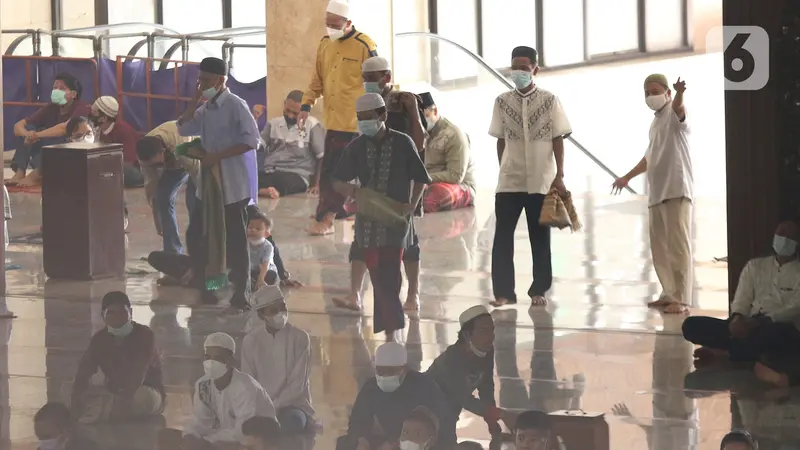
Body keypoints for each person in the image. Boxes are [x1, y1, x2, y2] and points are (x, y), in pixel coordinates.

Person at [331, 93, 431, 341]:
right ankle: (390, 331)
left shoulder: (402, 143)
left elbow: (421, 178)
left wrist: (411, 206)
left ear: (383, 116)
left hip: (396, 220)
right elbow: (336, 180)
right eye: (360, 118)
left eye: (368, 118)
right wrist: (353, 191)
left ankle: (391, 331)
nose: (364, 123)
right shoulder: (356, 147)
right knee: (378, 275)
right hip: (368, 222)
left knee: (390, 274)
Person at [488, 46, 571, 308]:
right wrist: (503, 167)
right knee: (502, 236)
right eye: (516, 67)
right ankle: (503, 292)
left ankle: (539, 290)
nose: (519, 72)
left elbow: (558, 138)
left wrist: (559, 175)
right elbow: (500, 139)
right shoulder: (502, 101)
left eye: (525, 67)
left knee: (539, 236)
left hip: (540, 179)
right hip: (510, 179)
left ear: (535, 69)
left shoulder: (550, 100)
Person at [177, 56, 260, 312]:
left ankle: (241, 293)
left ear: (222, 80)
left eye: (207, 80)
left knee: (235, 240)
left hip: (233, 184)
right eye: (200, 80)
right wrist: (194, 98)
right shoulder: (206, 108)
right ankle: (210, 288)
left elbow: (251, 140)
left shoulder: (236, 105)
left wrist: (218, 156)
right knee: (202, 237)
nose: (203, 85)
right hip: (209, 185)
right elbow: (183, 127)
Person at [612, 74, 692, 314]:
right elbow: (649, 157)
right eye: (647, 92)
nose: (651, 96)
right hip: (657, 194)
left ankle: (681, 297)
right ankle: (668, 293)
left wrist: (679, 93)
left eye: (655, 91)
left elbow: (679, 108)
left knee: (678, 246)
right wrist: (626, 177)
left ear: (666, 93)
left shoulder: (673, 113)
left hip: (676, 190)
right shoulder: (655, 123)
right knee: (660, 247)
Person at [300, 0, 378, 236]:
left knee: (341, 174)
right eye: (327, 24)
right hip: (333, 122)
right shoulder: (325, 44)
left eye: (335, 25)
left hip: (357, 124)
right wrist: (306, 104)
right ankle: (331, 211)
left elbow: (378, 83)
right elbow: (317, 81)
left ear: (349, 23)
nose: (330, 29)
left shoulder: (365, 44)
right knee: (332, 172)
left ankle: (328, 217)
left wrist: (374, 120)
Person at [682, 220, 800, 364]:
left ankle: (726, 351)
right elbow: (742, 299)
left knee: (773, 336)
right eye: (781, 234)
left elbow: (794, 308)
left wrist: (758, 322)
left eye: (790, 236)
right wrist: (737, 319)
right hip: (747, 324)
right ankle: (746, 352)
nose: (784, 239)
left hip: (777, 326)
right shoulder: (755, 266)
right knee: (691, 325)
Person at [339, 342, 456, 450]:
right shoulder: (371, 387)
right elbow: (358, 420)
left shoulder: (424, 386)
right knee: (346, 443)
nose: (385, 375)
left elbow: (446, 422)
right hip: (390, 438)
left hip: (418, 441)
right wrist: (362, 440)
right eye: (381, 371)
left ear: (404, 369)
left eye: (391, 371)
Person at [70, 291, 165, 423]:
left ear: (130, 312)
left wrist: (124, 400)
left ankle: (105, 410)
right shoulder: (99, 339)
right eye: (111, 313)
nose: (117, 319)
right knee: (68, 390)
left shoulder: (145, 335)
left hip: (144, 390)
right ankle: (107, 409)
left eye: (122, 312)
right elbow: (84, 371)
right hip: (114, 392)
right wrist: (76, 398)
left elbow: (139, 373)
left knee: (142, 398)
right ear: (103, 317)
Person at [426, 306, 516, 437]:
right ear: (466, 334)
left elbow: (486, 387)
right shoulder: (450, 360)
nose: (490, 337)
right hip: (425, 412)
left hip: (449, 412)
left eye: (492, 331)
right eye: (483, 331)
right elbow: (463, 398)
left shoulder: (486, 351)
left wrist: (492, 422)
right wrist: (500, 414)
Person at [182, 332, 276, 449]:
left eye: (218, 358)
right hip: (222, 437)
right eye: (207, 357)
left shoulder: (245, 387)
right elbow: (201, 420)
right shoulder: (203, 385)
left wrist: (208, 441)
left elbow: (242, 431)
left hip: (255, 441)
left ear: (231, 361)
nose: (211, 362)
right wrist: (189, 434)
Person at [242, 285, 315, 435]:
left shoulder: (300, 338)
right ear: (262, 315)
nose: (280, 314)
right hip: (259, 407)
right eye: (274, 311)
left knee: (291, 424)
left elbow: (297, 386)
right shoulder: (251, 341)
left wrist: (273, 407)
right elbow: (248, 382)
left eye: (282, 307)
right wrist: (263, 408)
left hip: (292, 406)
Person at [8, 72, 91, 187]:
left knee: (64, 140)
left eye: (62, 88)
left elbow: (64, 128)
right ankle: (20, 172)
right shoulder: (51, 107)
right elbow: (18, 126)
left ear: (73, 94)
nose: (56, 91)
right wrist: (28, 134)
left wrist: (37, 135)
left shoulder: (81, 108)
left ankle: (36, 176)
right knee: (29, 128)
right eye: (54, 88)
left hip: (70, 155)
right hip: (47, 150)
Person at [137, 120, 199, 256]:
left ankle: (199, 251)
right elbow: (151, 184)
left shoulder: (181, 144)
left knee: (195, 203)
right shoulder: (146, 156)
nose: (157, 167)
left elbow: (197, 173)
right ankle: (172, 252)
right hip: (174, 164)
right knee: (162, 198)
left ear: (162, 152)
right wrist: (157, 218)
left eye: (158, 163)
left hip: (197, 157)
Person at [258, 90, 324, 199]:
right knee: (247, 178)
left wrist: (317, 184)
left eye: (295, 113)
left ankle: (262, 190)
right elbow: (257, 146)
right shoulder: (273, 124)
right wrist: (254, 120)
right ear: (284, 104)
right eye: (287, 110)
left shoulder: (312, 125)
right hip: (271, 172)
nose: (290, 116)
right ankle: (266, 191)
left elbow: (322, 157)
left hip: (296, 175)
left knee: (286, 183)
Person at [418, 92, 476, 213]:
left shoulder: (454, 135)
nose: (421, 122)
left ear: (435, 111)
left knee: (432, 198)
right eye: (417, 119)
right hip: (428, 182)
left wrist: (422, 177)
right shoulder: (419, 134)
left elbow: (455, 176)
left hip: (459, 186)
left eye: (424, 117)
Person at [90, 96, 145, 188]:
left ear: (103, 118)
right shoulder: (99, 129)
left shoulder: (123, 130)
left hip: (134, 168)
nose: (90, 113)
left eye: (94, 112)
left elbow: (129, 161)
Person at [34, 402, 102, 450]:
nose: (43, 443)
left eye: (47, 437)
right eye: (39, 438)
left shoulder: (88, 448)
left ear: (66, 431)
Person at [247, 213, 278, 289]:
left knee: (271, 275)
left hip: (264, 270)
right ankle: (251, 282)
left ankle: (255, 282)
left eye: (258, 229)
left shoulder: (268, 246)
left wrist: (261, 278)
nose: (253, 230)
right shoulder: (244, 243)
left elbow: (265, 264)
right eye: (250, 227)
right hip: (250, 270)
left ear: (266, 234)